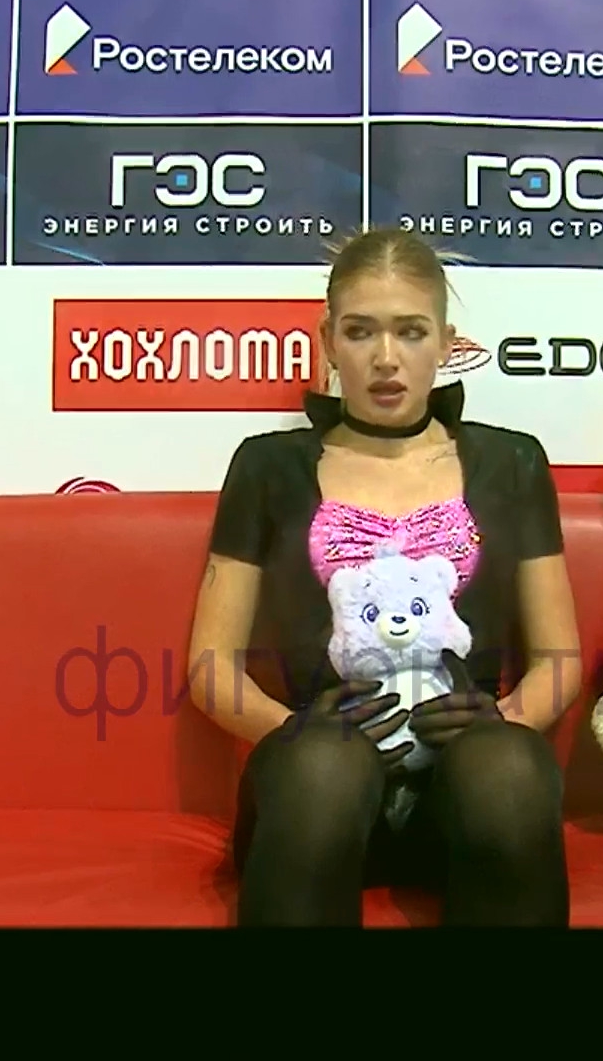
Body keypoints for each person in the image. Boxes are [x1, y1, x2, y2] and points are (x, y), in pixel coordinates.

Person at [186, 228, 582, 927]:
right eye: (361, 331)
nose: (386, 358)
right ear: (328, 340)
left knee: (507, 768)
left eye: (411, 331)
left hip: (463, 798)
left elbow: (560, 659)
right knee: (324, 768)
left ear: (447, 344)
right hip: (319, 795)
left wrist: (505, 721)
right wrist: (297, 729)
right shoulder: (266, 466)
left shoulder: (513, 462)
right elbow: (209, 668)